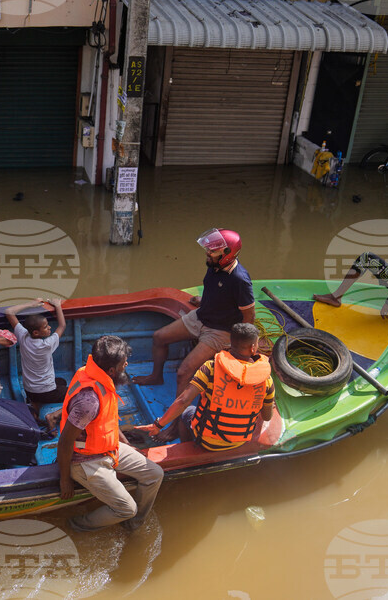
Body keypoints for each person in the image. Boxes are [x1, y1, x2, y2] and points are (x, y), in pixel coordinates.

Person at [133, 228, 256, 399]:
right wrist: (203, 300)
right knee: (159, 337)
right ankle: (156, 376)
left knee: (184, 372)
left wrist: (240, 344)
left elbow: (249, 315)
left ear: (227, 253)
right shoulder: (214, 265)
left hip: (220, 331)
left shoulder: (240, 279)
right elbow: (215, 288)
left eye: (212, 251)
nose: (207, 253)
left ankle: (175, 422)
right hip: (201, 316)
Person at [58, 335, 163, 532]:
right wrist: (65, 480)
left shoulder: (97, 376)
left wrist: (126, 444)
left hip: (108, 448)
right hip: (85, 461)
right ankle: (76, 525)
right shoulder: (89, 402)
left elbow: (109, 420)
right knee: (126, 508)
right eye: (124, 363)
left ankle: (133, 524)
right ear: (112, 370)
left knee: (155, 474)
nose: (127, 365)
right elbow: (64, 442)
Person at [135, 323, 275, 451]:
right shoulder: (266, 380)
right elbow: (267, 416)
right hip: (238, 441)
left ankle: (188, 447)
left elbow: (183, 401)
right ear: (253, 348)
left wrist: (158, 425)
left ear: (230, 343)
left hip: (207, 440)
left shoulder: (211, 368)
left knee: (187, 411)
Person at [5, 298, 67, 407]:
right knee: (76, 392)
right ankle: (51, 414)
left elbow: (9, 312)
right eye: (45, 327)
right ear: (36, 332)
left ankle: (34, 403)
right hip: (46, 393)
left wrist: (30, 304)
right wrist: (57, 305)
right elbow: (62, 326)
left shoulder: (23, 336)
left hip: (29, 391)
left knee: (61, 381)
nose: (49, 328)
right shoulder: (46, 345)